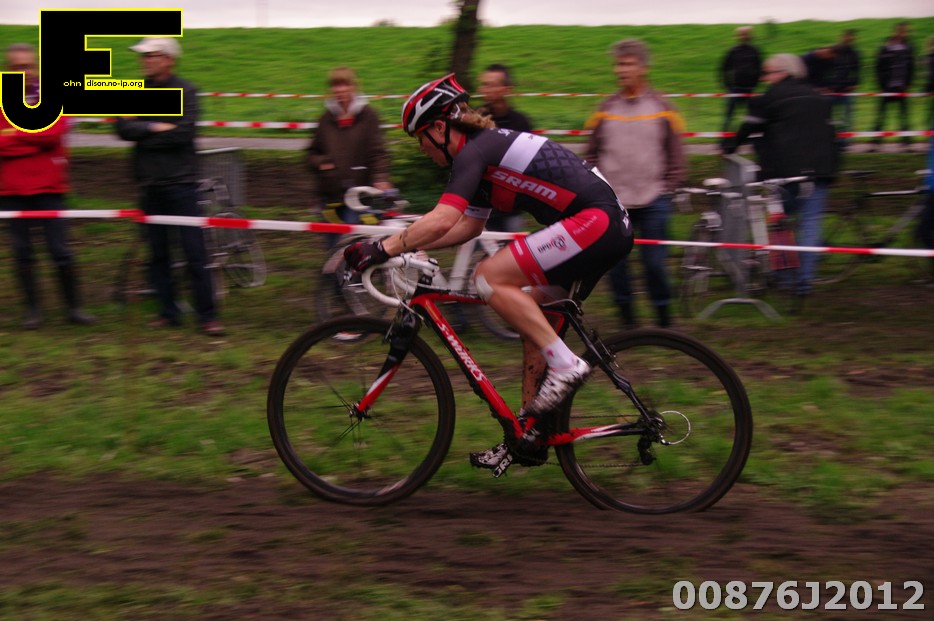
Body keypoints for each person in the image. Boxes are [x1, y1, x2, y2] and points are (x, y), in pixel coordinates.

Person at [342, 74, 633, 470]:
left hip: (595, 222)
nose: (421, 148)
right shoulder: (483, 155)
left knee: (489, 276)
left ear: (440, 128)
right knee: (535, 323)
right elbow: (467, 226)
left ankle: (567, 366)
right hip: (601, 225)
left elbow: (443, 217)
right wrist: (409, 245)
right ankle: (527, 434)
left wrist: (381, 247)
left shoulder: (475, 151)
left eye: (421, 138)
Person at [115, 37, 223, 336]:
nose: (145, 60)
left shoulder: (186, 91)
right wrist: (155, 126)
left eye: (151, 55)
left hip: (181, 184)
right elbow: (123, 128)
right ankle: (168, 312)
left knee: (194, 252)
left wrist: (144, 133)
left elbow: (183, 133)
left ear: (168, 59)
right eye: (143, 56)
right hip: (149, 184)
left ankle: (208, 316)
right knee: (158, 253)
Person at [584, 38, 686, 328]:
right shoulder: (605, 108)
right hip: (615, 202)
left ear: (643, 68)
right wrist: (597, 187)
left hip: (654, 200)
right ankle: (627, 321)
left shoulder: (662, 107)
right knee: (616, 265)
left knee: (655, 263)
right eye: (618, 64)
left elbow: (676, 152)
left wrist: (669, 187)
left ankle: (664, 319)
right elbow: (591, 152)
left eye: (627, 64)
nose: (621, 70)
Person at [722, 53, 839, 302]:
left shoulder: (770, 97)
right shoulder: (819, 98)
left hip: (784, 172)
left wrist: (730, 146)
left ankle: (785, 278)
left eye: (768, 73)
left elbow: (748, 127)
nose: (765, 78)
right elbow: (834, 137)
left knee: (779, 223)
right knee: (810, 224)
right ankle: (804, 283)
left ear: (783, 72)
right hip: (820, 172)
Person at [0, 43, 96, 329]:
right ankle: (33, 311)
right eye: (17, 67)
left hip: (50, 187)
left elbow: (52, 135)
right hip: (11, 189)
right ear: (8, 70)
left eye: (28, 66)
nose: (24, 72)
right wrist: (33, 133)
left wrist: (15, 134)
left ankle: (74, 308)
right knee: (22, 252)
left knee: (60, 251)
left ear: (37, 67)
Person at [305, 66, 393, 246]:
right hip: (331, 196)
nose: (340, 90)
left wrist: (380, 178)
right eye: (335, 85)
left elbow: (378, 152)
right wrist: (321, 162)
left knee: (351, 245)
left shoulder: (369, 116)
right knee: (333, 248)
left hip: (359, 196)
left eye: (344, 84)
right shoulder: (325, 119)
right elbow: (311, 154)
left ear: (353, 87)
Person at [476, 63, 534, 233]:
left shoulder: (521, 123)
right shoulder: (475, 120)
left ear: (506, 89)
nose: (485, 90)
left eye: (491, 85)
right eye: (484, 84)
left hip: (511, 207)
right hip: (481, 207)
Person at [872, 21, 915, 150]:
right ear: (896, 31)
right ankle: (876, 141)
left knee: (904, 115)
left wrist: (908, 83)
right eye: (902, 31)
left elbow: (911, 66)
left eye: (906, 31)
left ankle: (906, 141)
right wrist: (882, 84)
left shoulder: (908, 47)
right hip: (887, 87)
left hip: (901, 87)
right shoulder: (886, 47)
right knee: (881, 115)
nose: (904, 33)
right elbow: (878, 67)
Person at [719, 26, 763, 134]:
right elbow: (724, 69)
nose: (744, 36)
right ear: (737, 36)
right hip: (735, 89)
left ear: (750, 36)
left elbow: (760, 67)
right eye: (742, 34)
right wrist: (728, 86)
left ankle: (751, 138)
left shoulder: (755, 50)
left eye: (746, 34)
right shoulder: (733, 51)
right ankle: (724, 139)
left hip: (750, 89)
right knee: (728, 117)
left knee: (752, 117)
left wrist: (756, 83)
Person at [828, 30, 861, 147]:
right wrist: (830, 84)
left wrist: (854, 83)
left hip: (847, 90)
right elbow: (829, 68)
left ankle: (845, 140)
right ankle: (832, 138)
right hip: (833, 89)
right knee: (832, 116)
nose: (849, 40)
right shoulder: (834, 51)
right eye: (847, 37)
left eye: (851, 38)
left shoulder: (854, 53)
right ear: (842, 37)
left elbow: (857, 69)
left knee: (847, 116)